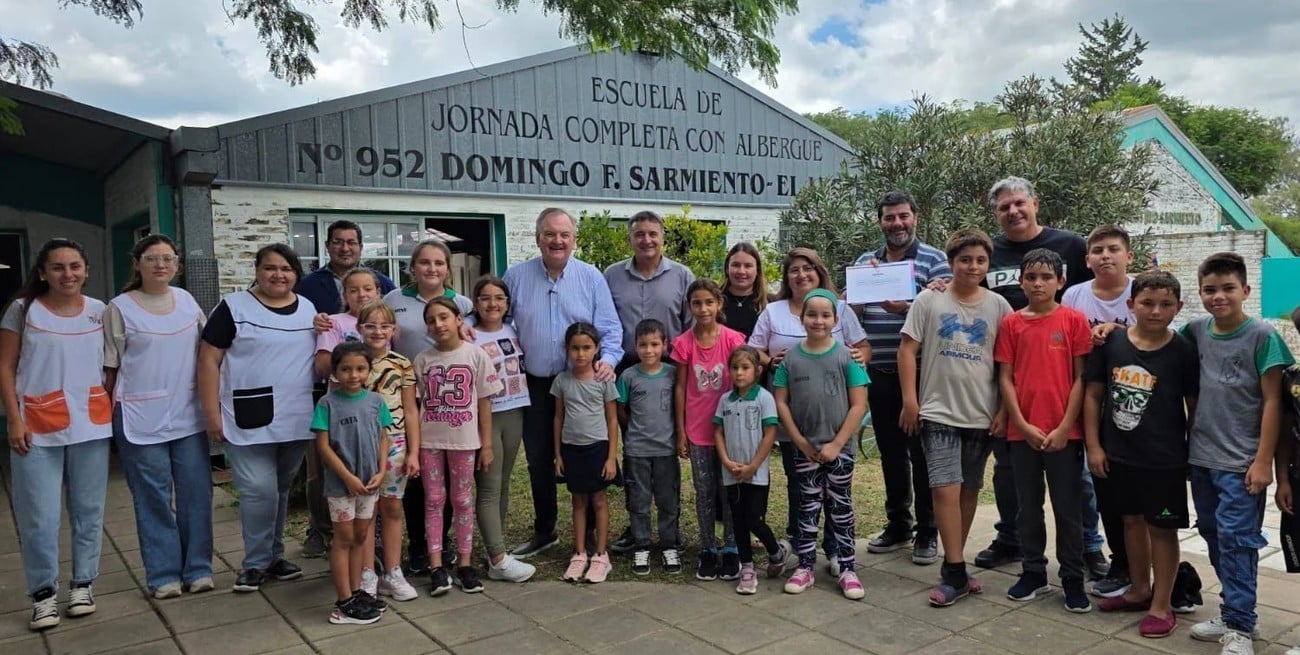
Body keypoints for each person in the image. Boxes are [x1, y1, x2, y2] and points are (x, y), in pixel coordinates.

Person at [977, 175, 1093, 571]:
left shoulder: (1071, 246)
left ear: (1035, 203)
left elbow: (1094, 291)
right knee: (1009, 473)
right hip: (1006, 373)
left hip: (1062, 374)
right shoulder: (989, 251)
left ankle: (1087, 548)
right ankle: (1011, 539)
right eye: (1004, 207)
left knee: (1074, 485)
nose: (1013, 211)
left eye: (1018, 203)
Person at [1180, 253, 1294, 655]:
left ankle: (1241, 628)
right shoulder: (1194, 331)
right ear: (1200, 293)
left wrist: (1265, 463)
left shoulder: (1263, 336)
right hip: (1202, 458)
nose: (1219, 297)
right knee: (1212, 534)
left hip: (1243, 464)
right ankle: (1234, 612)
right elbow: (1152, 340)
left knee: (1238, 541)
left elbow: (1273, 403)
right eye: (1210, 290)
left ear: (1245, 291)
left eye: (1228, 288)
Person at [1, 239, 112, 631]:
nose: (68, 274)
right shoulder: (23, 311)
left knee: (88, 512)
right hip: (36, 428)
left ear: (86, 270)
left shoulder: (100, 311)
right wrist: (13, 419)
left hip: (91, 425)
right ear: (43, 272)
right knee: (39, 517)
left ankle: (83, 583)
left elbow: (113, 364)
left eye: (75, 266)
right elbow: (5, 366)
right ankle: (43, 594)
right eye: (59, 267)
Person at [898, 229, 1011, 607]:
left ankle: (956, 565)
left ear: (987, 263)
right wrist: (910, 402)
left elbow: (1009, 364)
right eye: (965, 260)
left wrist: (1003, 410)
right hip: (937, 412)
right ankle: (954, 570)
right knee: (943, 488)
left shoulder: (998, 307)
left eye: (980, 260)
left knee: (967, 491)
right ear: (951, 263)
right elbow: (906, 350)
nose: (973, 266)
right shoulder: (929, 302)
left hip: (981, 415)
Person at [1083, 270, 1198, 639]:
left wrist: (1191, 455)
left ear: (1178, 308)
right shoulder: (1111, 345)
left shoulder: (1183, 351)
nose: (1155, 311)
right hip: (1117, 456)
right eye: (1147, 303)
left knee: (1162, 530)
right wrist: (1094, 446)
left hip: (1164, 460)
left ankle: (1162, 606)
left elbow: (1193, 407)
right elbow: (1093, 396)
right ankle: (1138, 590)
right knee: (1130, 522)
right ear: (1131, 305)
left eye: (1166, 304)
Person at [503, 208, 623, 559]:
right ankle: (545, 530)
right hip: (537, 384)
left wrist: (609, 363)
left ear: (574, 240)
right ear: (537, 238)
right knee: (540, 457)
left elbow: (611, 329)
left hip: (584, 384)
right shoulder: (516, 276)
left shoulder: (591, 277)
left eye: (564, 235)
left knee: (588, 454)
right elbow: (499, 318)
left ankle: (588, 536)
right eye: (550, 234)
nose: (557, 241)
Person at [198, 243, 317, 594]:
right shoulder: (233, 308)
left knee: (279, 489)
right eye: (270, 268)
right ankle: (254, 562)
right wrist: (211, 413)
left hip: (296, 417)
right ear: (257, 270)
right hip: (246, 415)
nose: (278, 275)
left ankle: (274, 557)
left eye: (286, 268)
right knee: (258, 491)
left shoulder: (307, 308)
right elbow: (208, 360)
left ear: (296, 273)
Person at [104, 235, 213, 600]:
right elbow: (109, 367)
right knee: (152, 495)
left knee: (196, 493)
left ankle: (198, 567)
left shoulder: (186, 301)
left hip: (187, 411)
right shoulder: (119, 308)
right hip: (139, 413)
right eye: (152, 258)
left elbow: (209, 350)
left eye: (168, 259)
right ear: (137, 264)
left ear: (177, 265)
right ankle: (164, 574)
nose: (161, 265)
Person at [750, 247, 868, 575]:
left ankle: (836, 552)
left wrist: (859, 360)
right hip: (796, 422)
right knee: (801, 488)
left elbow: (861, 352)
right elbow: (754, 350)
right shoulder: (773, 312)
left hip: (836, 425)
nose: (801, 275)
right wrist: (768, 361)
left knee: (837, 496)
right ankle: (803, 551)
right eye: (794, 270)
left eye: (808, 269)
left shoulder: (842, 311)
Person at [854, 190, 952, 565]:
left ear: (915, 217)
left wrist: (907, 306)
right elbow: (852, 318)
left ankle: (928, 531)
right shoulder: (866, 263)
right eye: (889, 218)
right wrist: (854, 302)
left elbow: (945, 312)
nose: (896, 223)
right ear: (880, 221)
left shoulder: (935, 260)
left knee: (923, 454)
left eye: (903, 216)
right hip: (877, 372)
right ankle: (899, 524)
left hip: (921, 375)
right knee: (890, 454)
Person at [993, 248, 1093, 613]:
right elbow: (1005, 377)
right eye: (1031, 277)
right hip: (1023, 434)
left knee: (1068, 508)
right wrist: (1019, 423)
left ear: (1061, 282)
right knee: (1027, 508)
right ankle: (1033, 571)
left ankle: (1071, 578)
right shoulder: (1012, 324)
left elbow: (1082, 377)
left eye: (1046, 277)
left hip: (1066, 434)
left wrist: (1067, 426)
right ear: (1020, 282)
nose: (1038, 283)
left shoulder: (1074, 320)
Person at [296, 220, 396, 560]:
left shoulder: (380, 320)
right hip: (337, 408)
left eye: (351, 242)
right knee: (326, 471)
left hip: (377, 410)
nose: (344, 247)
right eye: (337, 242)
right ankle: (324, 532)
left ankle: (373, 544)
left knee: (372, 471)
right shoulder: (324, 306)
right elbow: (323, 364)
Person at [604, 211, 692, 555]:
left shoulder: (682, 275)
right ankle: (636, 526)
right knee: (635, 452)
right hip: (627, 366)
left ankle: (671, 530)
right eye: (639, 234)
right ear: (631, 238)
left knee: (667, 447)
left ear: (663, 237)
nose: (646, 240)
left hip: (670, 369)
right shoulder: (612, 276)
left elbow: (688, 325)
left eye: (652, 233)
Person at [772, 289, 870, 600]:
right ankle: (805, 567)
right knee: (807, 507)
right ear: (802, 319)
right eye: (811, 314)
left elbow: (859, 406)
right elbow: (781, 402)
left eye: (825, 315)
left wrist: (837, 443)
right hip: (806, 450)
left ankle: (848, 567)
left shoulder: (846, 356)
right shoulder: (791, 359)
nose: (818, 320)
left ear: (835, 320)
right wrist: (799, 441)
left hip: (839, 451)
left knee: (840, 508)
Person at [383, 239, 472, 576]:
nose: (431, 269)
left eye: (438, 263)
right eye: (424, 262)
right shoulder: (394, 301)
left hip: (446, 404)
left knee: (446, 478)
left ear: (448, 268)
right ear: (413, 266)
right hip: (407, 401)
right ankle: (418, 548)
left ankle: (443, 542)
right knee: (415, 475)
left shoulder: (461, 302)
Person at [1061, 224, 1138, 591]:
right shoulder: (1074, 295)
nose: (1105, 256)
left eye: (1113, 249)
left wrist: (1117, 332)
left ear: (1128, 256)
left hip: (1135, 405)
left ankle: (1138, 566)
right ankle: (1096, 551)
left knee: (1133, 492)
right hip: (1086, 400)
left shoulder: (1143, 292)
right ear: (1087, 259)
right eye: (1098, 250)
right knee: (1088, 483)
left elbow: (1161, 335)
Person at [413, 297, 502, 596]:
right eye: (431, 320)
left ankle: (465, 564)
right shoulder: (422, 360)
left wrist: (486, 444)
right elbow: (417, 404)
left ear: (458, 320)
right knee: (434, 500)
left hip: (465, 442)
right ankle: (437, 566)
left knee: (462, 500)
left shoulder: (476, 356)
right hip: (430, 442)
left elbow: (485, 402)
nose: (438, 324)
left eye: (444, 317)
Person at [311, 341, 392, 625]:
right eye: (346, 369)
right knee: (343, 538)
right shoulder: (327, 404)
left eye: (360, 368)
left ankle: (357, 592)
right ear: (335, 371)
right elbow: (323, 446)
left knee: (360, 536)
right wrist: (347, 477)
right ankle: (344, 600)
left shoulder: (376, 402)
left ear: (369, 370)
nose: (353, 375)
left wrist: (381, 472)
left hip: (370, 484)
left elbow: (384, 438)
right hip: (341, 486)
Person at [673, 279, 748, 581]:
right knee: (704, 492)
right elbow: (680, 387)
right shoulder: (683, 344)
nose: (703, 309)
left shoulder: (732, 340)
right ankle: (707, 548)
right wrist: (680, 432)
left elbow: (745, 381)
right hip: (698, 431)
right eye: (696, 303)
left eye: (709, 302)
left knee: (729, 491)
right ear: (689, 306)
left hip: (730, 431)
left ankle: (731, 548)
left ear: (719, 304)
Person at [467, 276, 536, 583]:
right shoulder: (468, 336)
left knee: (504, 483)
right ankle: (497, 559)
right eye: (484, 298)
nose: (492, 304)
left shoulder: (515, 330)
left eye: (499, 298)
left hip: (515, 412)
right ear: (475, 303)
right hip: (486, 417)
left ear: (507, 304)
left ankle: (497, 547)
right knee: (488, 487)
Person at [353, 300, 422, 602]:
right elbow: (333, 406)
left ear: (394, 330)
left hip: (395, 444)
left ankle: (393, 571)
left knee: (392, 509)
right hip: (359, 447)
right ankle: (367, 573)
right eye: (370, 325)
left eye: (384, 325)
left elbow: (410, 411)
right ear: (359, 328)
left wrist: (414, 452)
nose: (378, 331)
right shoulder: (350, 362)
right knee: (365, 512)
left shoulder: (401, 364)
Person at [553, 322, 621, 584]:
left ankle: (601, 555)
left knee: (599, 501)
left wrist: (611, 456)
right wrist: (558, 454)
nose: (580, 354)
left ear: (597, 349)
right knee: (578, 502)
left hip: (598, 449)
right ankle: (579, 553)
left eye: (586, 348)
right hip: (572, 449)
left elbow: (612, 419)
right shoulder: (562, 381)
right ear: (566, 349)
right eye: (575, 348)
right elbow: (558, 417)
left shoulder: (603, 381)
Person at [715, 345, 785, 594]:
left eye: (745, 368)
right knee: (737, 521)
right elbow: (719, 432)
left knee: (753, 518)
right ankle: (747, 567)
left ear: (757, 370)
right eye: (734, 367)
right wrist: (725, 460)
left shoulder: (764, 398)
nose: (739, 373)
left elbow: (770, 433)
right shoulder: (725, 400)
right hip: (732, 473)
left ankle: (775, 551)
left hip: (756, 474)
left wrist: (753, 465)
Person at [616, 319, 682, 575]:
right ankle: (641, 545)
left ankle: (669, 545)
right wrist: (631, 427)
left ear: (665, 345)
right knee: (639, 501)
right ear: (635, 346)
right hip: (636, 451)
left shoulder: (672, 374)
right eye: (643, 345)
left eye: (655, 344)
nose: (649, 350)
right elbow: (620, 407)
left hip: (666, 450)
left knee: (668, 500)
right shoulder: (629, 376)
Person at [720, 242, 770, 339]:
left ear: (757, 270)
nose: (741, 271)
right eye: (736, 265)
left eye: (748, 266)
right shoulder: (714, 301)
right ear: (727, 268)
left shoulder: (769, 304)